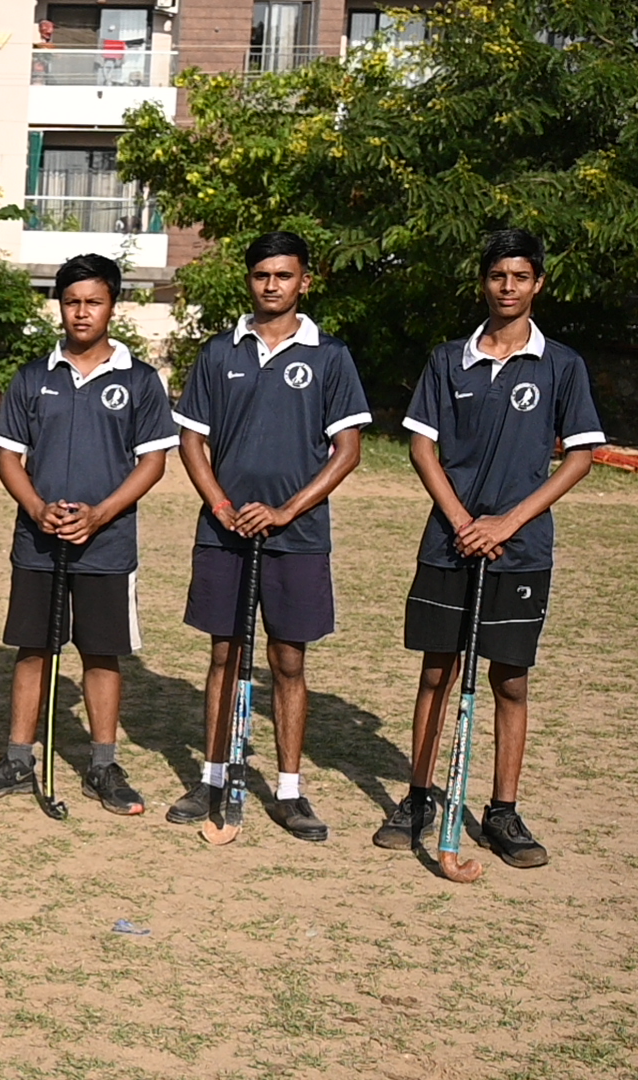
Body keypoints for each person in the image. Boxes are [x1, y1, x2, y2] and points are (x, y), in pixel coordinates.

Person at [379, 228, 603, 866]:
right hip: (449, 543)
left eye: (520, 277)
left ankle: (502, 811)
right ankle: (418, 798)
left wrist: (506, 523)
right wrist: (461, 519)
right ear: (484, 282)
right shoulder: (449, 359)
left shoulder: (561, 364)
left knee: (510, 680)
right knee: (437, 672)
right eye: (498, 276)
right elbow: (422, 446)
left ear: (538, 283)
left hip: (520, 550)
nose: (508, 287)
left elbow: (580, 456)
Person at [166, 231, 371, 842]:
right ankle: (212, 776)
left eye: (284, 275)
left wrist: (285, 512)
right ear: (249, 280)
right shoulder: (219, 352)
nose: (272, 285)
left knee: (288, 660)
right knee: (224, 654)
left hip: (296, 535)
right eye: (262, 275)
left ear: (304, 281)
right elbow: (192, 441)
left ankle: (287, 789)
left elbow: (347, 450)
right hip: (224, 531)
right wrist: (221, 505)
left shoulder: (329, 355)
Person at [0, 254, 176, 814]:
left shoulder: (139, 379)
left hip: (106, 543)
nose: (82, 313)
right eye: (71, 302)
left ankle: (103, 764)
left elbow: (153, 462)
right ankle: (18, 758)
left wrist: (100, 514)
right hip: (39, 541)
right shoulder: (34, 377)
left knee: (101, 651)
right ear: (59, 306)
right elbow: (7, 456)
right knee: (33, 646)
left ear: (112, 306)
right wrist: (36, 507)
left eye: (94, 302)